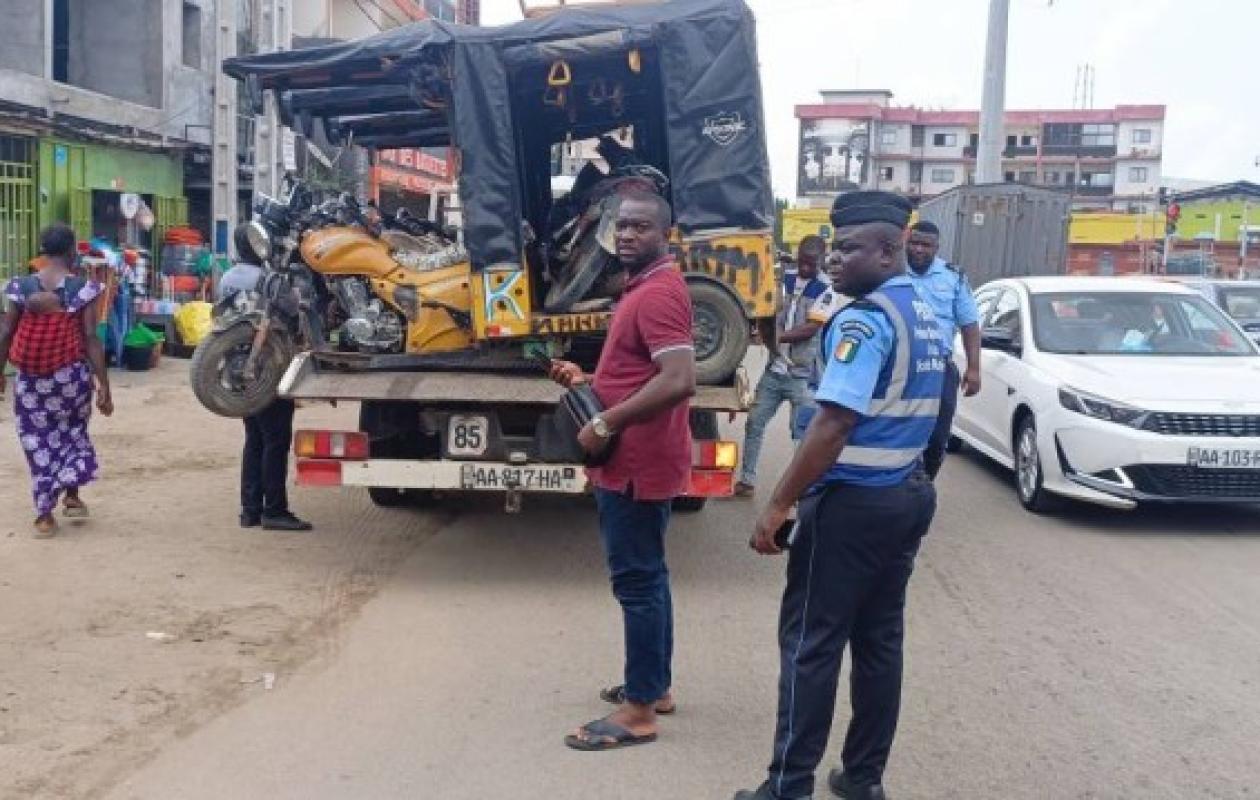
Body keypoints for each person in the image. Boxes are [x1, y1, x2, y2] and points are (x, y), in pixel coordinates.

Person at [734, 191, 945, 800]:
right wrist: (917, 474)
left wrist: (778, 503)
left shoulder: (864, 319)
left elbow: (832, 423)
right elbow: (942, 406)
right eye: (832, 246)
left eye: (848, 248)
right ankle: (862, 779)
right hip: (904, 494)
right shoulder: (925, 311)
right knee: (880, 641)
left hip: (853, 501)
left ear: (888, 249)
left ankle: (787, 788)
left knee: (811, 644)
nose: (833, 260)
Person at [548, 190, 695, 751]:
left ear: (666, 235)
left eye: (640, 227)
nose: (628, 235)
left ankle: (638, 713)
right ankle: (653, 688)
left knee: (637, 583)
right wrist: (589, 382)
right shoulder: (643, 287)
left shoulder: (659, 293)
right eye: (622, 226)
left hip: (636, 461)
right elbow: (642, 372)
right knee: (649, 576)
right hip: (637, 456)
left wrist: (604, 424)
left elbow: (678, 379)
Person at [0, 223, 113, 537]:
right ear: (72, 250)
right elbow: (91, 337)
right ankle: (73, 497)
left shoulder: (19, 287)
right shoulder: (84, 288)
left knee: (38, 440)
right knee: (73, 433)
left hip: (31, 382)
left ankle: (45, 514)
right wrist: (104, 385)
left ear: (43, 250)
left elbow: (6, 332)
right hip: (71, 379)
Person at [221, 223, 312, 532]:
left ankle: (249, 510)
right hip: (269, 369)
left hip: (238, 371)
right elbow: (294, 311)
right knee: (276, 440)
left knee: (255, 438)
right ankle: (274, 510)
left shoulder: (227, 278)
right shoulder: (269, 279)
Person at [734, 235, 830, 497]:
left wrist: (773, 338)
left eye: (811, 264)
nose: (805, 269)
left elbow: (811, 328)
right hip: (775, 370)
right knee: (754, 422)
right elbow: (767, 309)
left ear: (822, 261)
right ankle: (747, 481)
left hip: (803, 374)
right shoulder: (783, 279)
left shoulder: (826, 289)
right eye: (802, 263)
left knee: (802, 435)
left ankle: (800, 491)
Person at [904, 220, 981, 479]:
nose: (918, 249)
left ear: (937, 247)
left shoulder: (953, 276)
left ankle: (924, 485)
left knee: (937, 438)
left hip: (939, 368)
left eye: (925, 245)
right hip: (900, 366)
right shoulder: (893, 272)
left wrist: (974, 368)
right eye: (914, 243)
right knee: (898, 431)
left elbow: (969, 324)